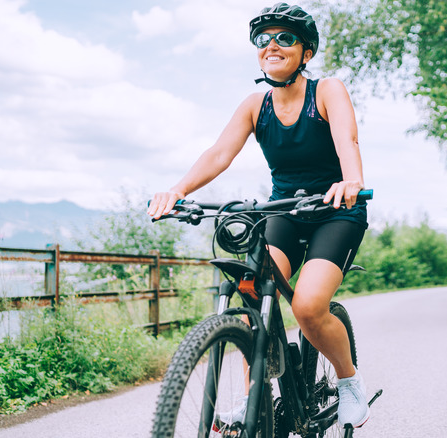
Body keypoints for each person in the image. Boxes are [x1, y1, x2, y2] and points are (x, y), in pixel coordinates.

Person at [147, 2, 370, 429]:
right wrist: (178, 191)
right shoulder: (256, 104)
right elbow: (218, 154)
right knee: (253, 293)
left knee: (306, 306)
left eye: (285, 38)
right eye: (263, 39)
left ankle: (348, 381)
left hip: (335, 211)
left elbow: (348, 140)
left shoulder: (327, 91)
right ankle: (258, 395)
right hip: (283, 209)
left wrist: (351, 181)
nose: (272, 45)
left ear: (306, 53)